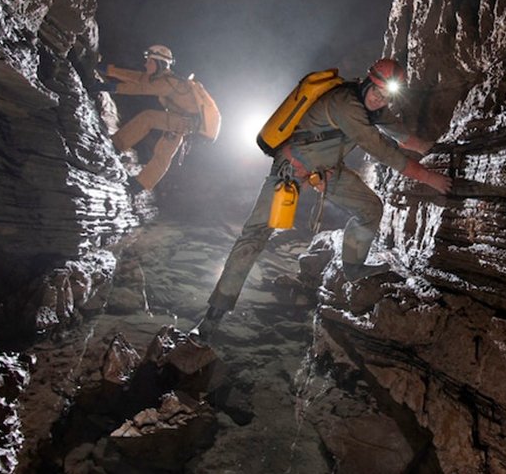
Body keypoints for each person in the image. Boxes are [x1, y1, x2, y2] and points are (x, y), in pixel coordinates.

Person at [192, 57, 451, 340]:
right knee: (255, 236)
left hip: (326, 171)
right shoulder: (346, 104)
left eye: (386, 97)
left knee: (369, 208)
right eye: (377, 92)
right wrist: (431, 179)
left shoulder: (375, 110)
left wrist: (440, 148)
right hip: (292, 168)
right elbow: (385, 153)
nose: (379, 100)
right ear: (367, 83)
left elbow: (403, 138)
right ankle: (213, 315)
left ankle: (353, 266)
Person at [101, 44, 203, 191]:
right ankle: (140, 185)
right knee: (165, 151)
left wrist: (112, 87)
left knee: (149, 117)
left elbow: (140, 88)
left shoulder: (168, 83)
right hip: (184, 120)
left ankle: (117, 144)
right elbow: (138, 78)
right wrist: (110, 70)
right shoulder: (163, 78)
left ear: (160, 64)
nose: (145, 64)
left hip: (186, 122)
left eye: (149, 61)